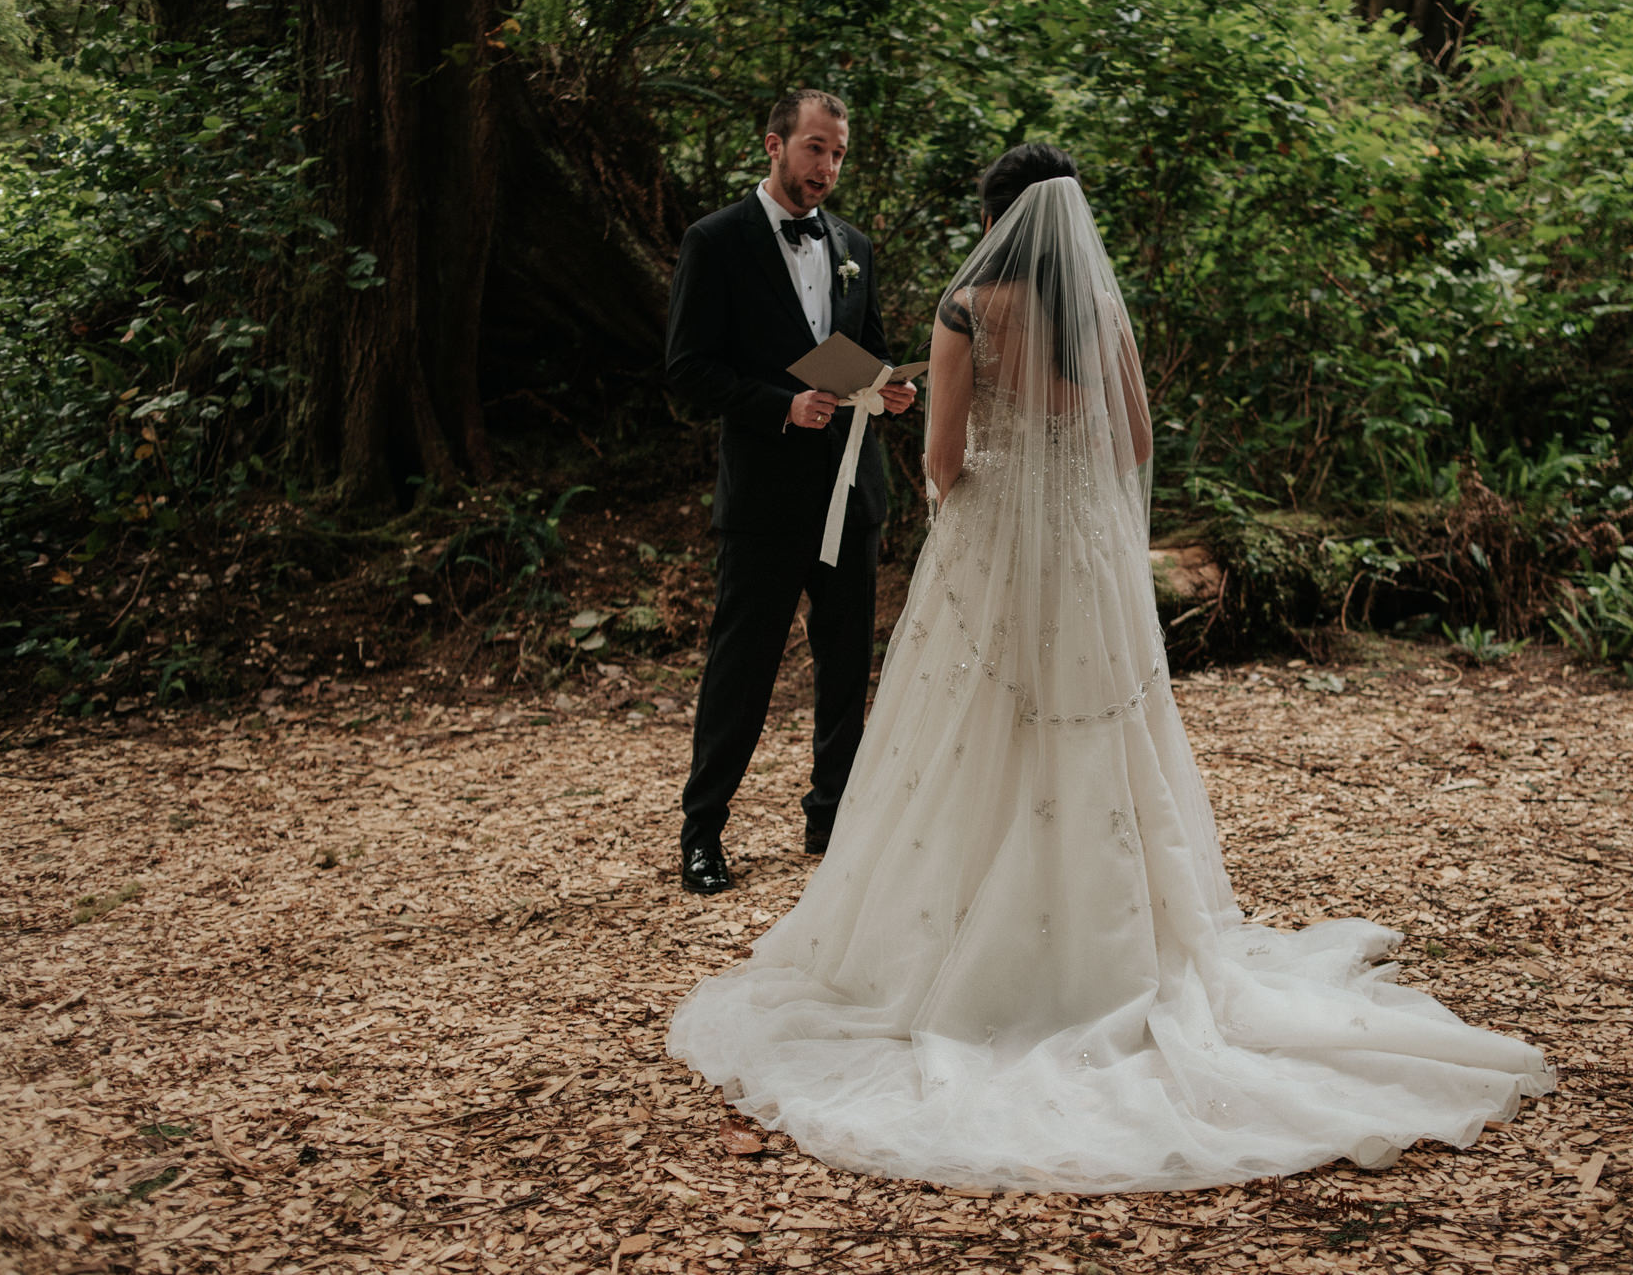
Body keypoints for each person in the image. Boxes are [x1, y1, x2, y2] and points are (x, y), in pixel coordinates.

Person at [665, 145, 1551, 1191]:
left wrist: (963, 470)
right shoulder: (1097, 308)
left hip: (996, 547)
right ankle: (1123, 938)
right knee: (1097, 730)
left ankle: (966, 946)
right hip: (1084, 553)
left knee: (974, 729)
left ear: (995, 218)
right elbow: (1129, 437)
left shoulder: (965, 307)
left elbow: (945, 460)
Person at [663, 90, 915, 895]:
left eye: (838, 154)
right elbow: (686, 373)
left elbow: (865, 349)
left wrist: (890, 389)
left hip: (851, 491)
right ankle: (702, 832)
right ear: (772, 144)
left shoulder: (854, 246)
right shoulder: (715, 242)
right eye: (815, 149)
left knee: (846, 666)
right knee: (743, 667)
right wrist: (780, 405)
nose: (828, 168)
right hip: (765, 498)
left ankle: (831, 818)